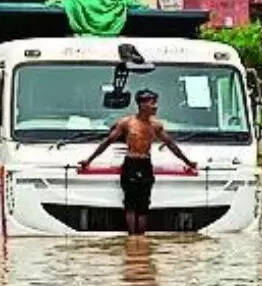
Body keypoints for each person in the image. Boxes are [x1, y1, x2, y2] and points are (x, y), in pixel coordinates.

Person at [78, 90, 197, 236]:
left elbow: (171, 145)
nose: (155, 107)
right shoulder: (127, 123)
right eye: (152, 103)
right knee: (130, 204)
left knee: (143, 204)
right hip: (131, 164)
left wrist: (188, 162)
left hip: (146, 164)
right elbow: (108, 141)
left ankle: (140, 238)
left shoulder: (156, 125)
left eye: (155, 103)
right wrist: (88, 160)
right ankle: (132, 238)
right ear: (142, 104)